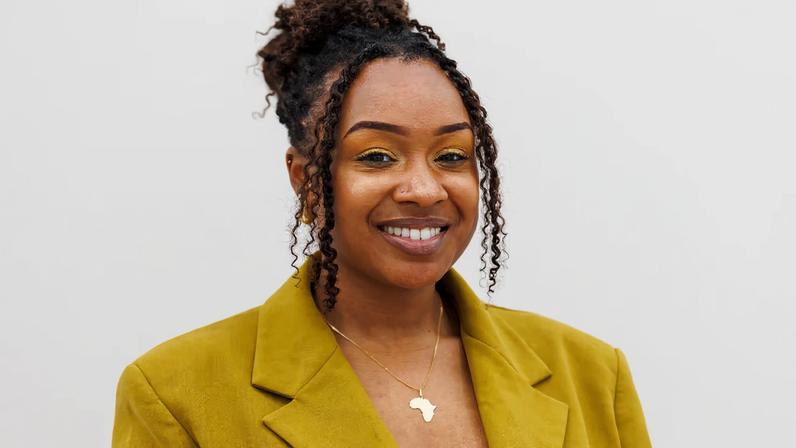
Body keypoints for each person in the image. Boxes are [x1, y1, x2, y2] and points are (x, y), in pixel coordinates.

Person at [112, 1, 652, 446]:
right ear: (305, 180)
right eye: (376, 156)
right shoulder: (175, 393)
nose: (424, 189)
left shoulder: (593, 375)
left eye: (451, 156)